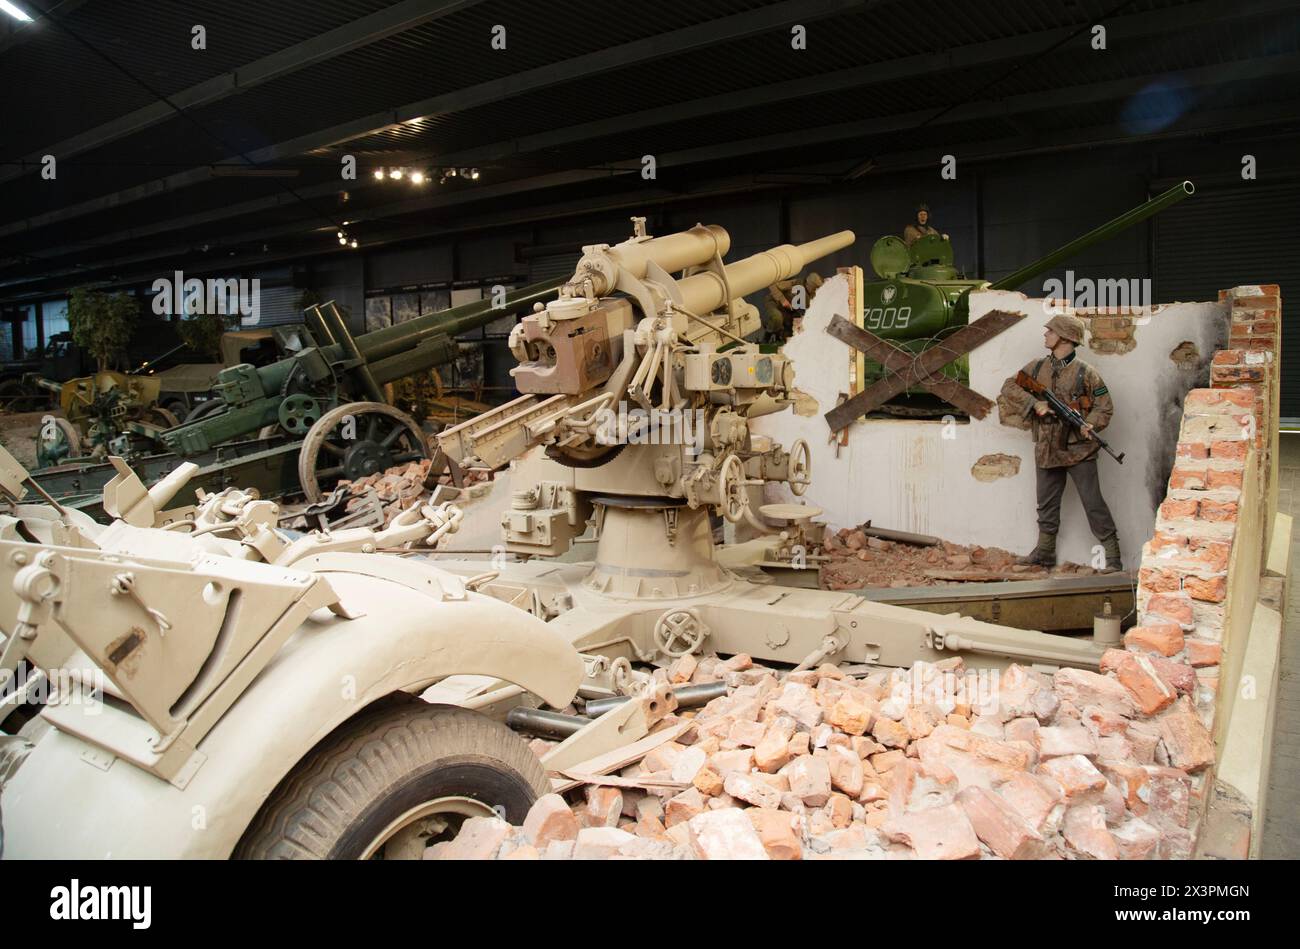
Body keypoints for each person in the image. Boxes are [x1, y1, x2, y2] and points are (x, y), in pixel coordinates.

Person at [998, 314, 1121, 571]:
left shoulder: (1087, 373)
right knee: (1046, 502)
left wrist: (1092, 424)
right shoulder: (1036, 368)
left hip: (1079, 450)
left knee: (1093, 502)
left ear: (1065, 338)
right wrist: (1035, 404)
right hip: (1046, 446)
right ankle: (1044, 553)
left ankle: (1113, 558)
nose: (1046, 335)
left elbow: (1104, 406)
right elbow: (1009, 386)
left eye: (1050, 332)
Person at [762, 272, 823, 343]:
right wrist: (783, 300)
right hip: (775, 303)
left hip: (788, 311)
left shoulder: (813, 294)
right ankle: (768, 334)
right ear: (807, 284)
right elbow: (773, 286)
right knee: (776, 317)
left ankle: (778, 336)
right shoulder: (795, 284)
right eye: (813, 288)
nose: (815, 290)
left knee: (789, 336)